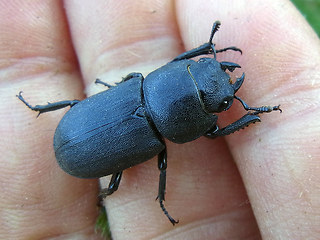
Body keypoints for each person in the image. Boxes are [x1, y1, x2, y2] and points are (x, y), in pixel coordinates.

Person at [1, 0, 319, 239]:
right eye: (202, 63)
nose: (216, 75)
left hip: (89, 129)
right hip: (81, 144)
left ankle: (40, 113)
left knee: (84, 111)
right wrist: (247, 112)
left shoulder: (139, 82)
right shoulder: (146, 99)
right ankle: (105, 192)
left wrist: (207, 53)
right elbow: (212, 131)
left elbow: (176, 66)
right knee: (117, 175)